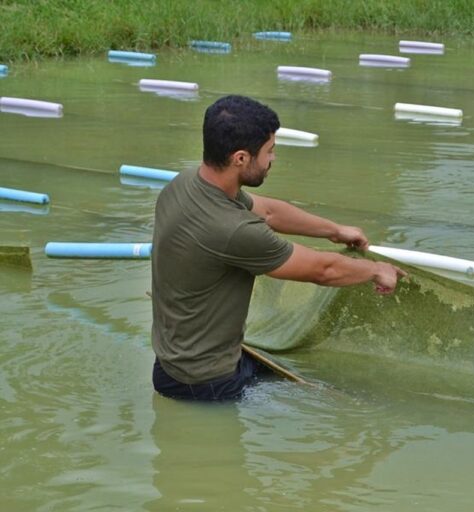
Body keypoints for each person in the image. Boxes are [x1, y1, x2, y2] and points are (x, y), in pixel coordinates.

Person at [151, 94, 405, 400]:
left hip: (173, 364)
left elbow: (269, 211)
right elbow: (323, 270)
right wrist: (377, 270)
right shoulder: (232, 229)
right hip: (207, 384)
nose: (273, 160)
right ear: (241, 158)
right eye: (269, 152)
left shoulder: (187, 183)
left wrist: (334, 231)